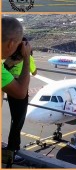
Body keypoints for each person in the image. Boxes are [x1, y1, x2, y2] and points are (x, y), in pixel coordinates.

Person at [1, 17, 32, 165]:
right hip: (17, 89)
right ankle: (13, 148)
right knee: (18, 120)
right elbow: (20, 92)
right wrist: (26, 57)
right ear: (12, 43)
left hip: (10, 84)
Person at [4, 54, 37, 155]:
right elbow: (34, 72)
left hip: (10, 87)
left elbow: (5, 67)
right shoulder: (28, 58)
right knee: (19, 121)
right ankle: (12, 148)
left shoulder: (10, 57)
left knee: (15, 119)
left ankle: (14, 146)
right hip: (20, 88)